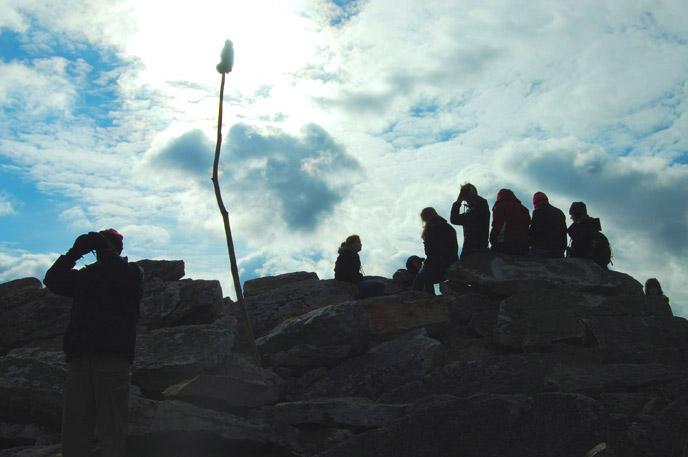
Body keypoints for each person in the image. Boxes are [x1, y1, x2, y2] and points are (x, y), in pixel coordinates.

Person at [43, 229, 143, 457]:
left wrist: (102, 248)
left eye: (104, 246)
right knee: (75, 427)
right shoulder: (86, 277)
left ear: (115, 249)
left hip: (112, 359)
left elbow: (121, 275)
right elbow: (52, 280)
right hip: (81, 359)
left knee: (111, 427)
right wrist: (73, 253)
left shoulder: (131, 273)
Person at [413, 207, 459, 295]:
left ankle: (427, 301)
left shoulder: (431, 227)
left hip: (438, 264)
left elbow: (429, 251)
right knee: (426, 276)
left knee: (419, 282)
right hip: (452, 262)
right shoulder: (449, 227)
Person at [450, 182, 490, 258]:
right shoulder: (471, 210)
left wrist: (460, 201)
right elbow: (454, 219)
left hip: (477, 250)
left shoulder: (481, 204)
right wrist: (459, 201)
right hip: (470, 250)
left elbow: (455, 219)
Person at [490, 189, 530, 255]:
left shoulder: (500, 207)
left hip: (505, 246)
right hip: (523, 247)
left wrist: (492, 240)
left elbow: (497, 226)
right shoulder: (524, 209)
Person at [529, 191, 567, 258]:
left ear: (535, 203)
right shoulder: (559, 212)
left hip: (543, 250)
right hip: (559, 251)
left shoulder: (538, 212)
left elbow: (533, 232)